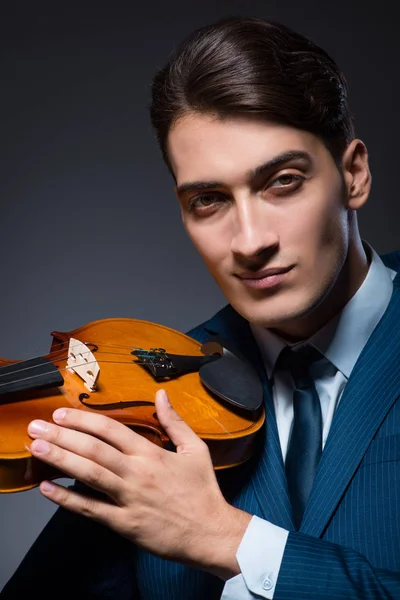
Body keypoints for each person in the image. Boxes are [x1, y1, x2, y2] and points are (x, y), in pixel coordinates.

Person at [1, 15, 400, 600]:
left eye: (282, 182)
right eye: (209, 200)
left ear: (353, 174)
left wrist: (228, 540)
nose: (248, 240)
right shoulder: (147, 399)